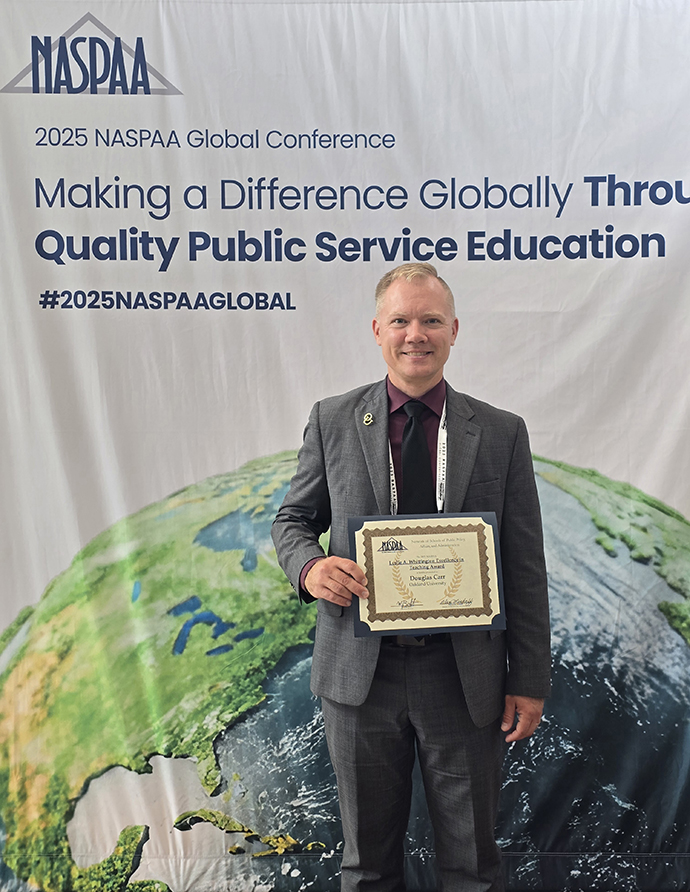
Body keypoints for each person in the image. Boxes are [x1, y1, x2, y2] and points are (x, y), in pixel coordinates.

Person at [271, 262, 550, 892]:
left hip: (464, 677)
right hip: (360, 678)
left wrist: (530, 679)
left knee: (473, 867)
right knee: (366, 867)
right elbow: (292, 521)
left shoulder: (501, 432)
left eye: (430, 320)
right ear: (377, 329)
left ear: (455, 330)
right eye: (400, 320)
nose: (415, 334)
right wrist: (310, 567)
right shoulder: (333, 420)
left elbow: (525, 566)